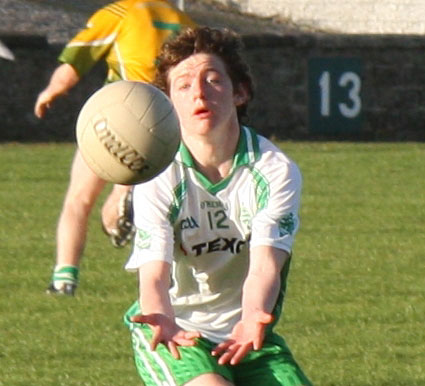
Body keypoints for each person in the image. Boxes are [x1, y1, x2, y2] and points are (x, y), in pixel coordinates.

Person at [123, 27, 312, 386]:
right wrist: (160, 316)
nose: (199, 92)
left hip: (247, 335)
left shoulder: (273, 171)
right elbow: (154, 274)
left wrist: (254, 315)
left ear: (240, 92)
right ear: (167, 104)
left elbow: (264, 267)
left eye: (213, 80)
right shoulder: (159, 174)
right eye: (183, 85)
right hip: (176, 332)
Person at [34, 0, 196, 296]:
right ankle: (172, 280)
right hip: (171, 125)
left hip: (117, 119)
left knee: (79, 199)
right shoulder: (185, 22)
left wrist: (50, 92)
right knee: (168, 209)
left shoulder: (121, 13)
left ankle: (64, 279)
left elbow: (75, 62)